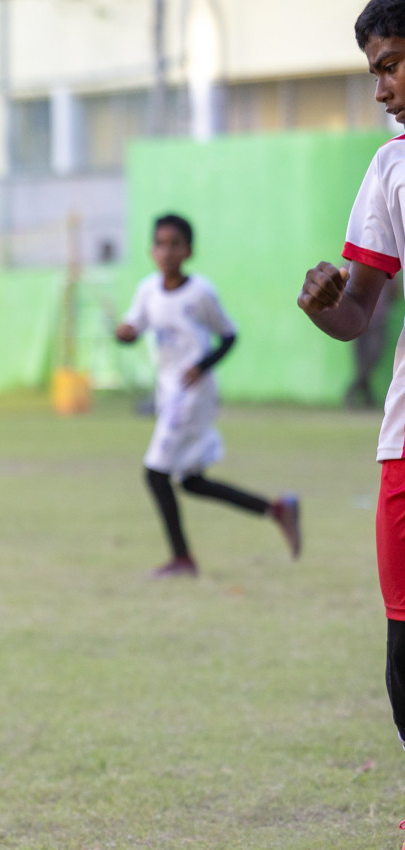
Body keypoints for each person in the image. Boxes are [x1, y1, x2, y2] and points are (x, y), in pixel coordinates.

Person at [298, 0, 405, 760]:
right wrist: (326, 309)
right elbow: (361, 311)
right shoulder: (391, 168)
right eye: (375, 72)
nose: (381, 90)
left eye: (392, 65)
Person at [117, 214, 301, 578]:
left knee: (155, 474)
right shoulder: (147, 291)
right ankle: (277, 509)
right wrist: (122, 334)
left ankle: (182, 559)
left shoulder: (200, 292)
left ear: (188, 250)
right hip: (167, 392)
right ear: (150, 249)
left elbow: (229, 336)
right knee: (190, 481)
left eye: (174, 244)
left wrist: (202, 365)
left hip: (192, 393)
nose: (166, 251)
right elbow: (132, 328)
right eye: (159, 243)